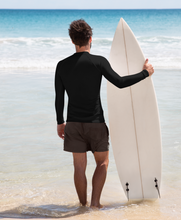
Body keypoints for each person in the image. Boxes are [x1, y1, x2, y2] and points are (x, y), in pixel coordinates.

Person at [54, 19, 154, 209]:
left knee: (79, 166)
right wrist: (145, 73)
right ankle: (95, 204)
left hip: (73, 124)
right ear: (91, 38)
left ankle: (82, 205)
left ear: (72, 40)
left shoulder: (62, 65)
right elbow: (120, 82)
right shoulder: (98, 62)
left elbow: (59, 98)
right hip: (96, 124)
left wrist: (60, 122)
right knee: (102, 163)